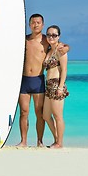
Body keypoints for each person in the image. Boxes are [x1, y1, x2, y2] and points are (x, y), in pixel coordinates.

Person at [17, 14, 69, 147]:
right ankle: (23, 141)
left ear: (42, 24)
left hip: (39, 80)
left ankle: (40, 142)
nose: (35, 25)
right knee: (24, 112)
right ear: (29, 24)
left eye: (38, 22)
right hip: (23, 80)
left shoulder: (47, 40)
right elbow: (5, 42)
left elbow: (61, 46)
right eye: (33, 22)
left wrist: (67, 47)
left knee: (40, 113)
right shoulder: (23, 40)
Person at [43, 25, 69, 149]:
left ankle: (60, 143)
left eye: (54, 35)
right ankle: (56, 139)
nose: (51, 37)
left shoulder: (61, 49)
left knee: (58, 116)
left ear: (59, 36)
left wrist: (60, 87)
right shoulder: (49, 50)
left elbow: (64, 70)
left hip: (57, 84)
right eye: (49, 34)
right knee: (46, 116)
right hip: (48, 85)